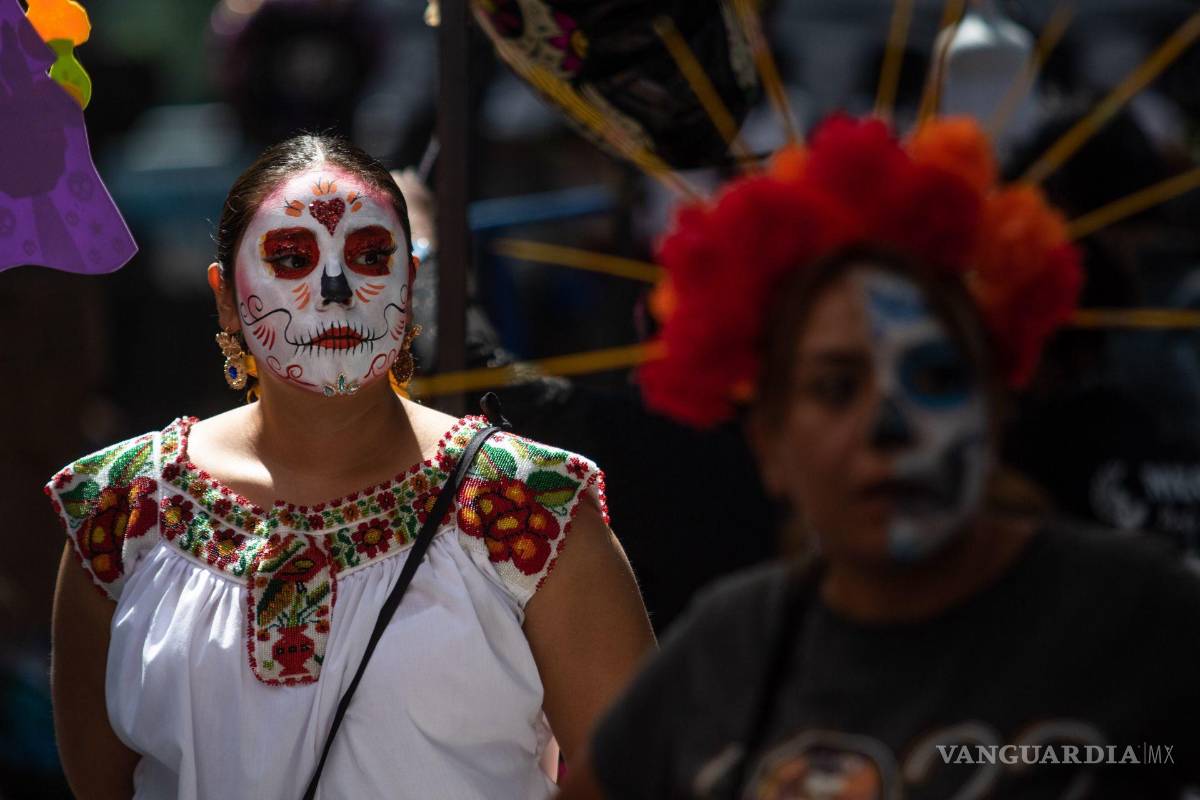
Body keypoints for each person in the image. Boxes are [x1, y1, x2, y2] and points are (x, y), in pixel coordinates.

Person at [560, 115, 1200, 798]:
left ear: (994, 408)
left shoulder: (1139, 614)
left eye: (934, 378)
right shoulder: (727, 646)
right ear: (771, 444)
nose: (887, 425)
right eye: (836, 387)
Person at [47, 134, 655, 799]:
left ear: (410, 281)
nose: (335, 289)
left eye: (370, 256)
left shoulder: (532, 506)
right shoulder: (119, 512)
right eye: (290, 258)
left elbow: (640, 776)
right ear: (226, 297)